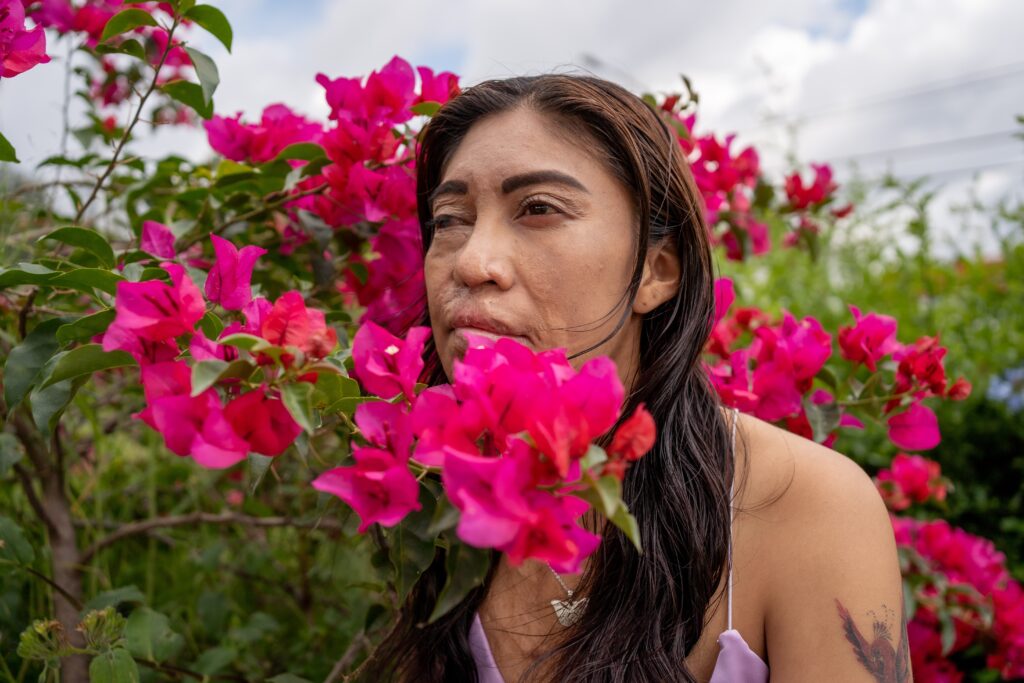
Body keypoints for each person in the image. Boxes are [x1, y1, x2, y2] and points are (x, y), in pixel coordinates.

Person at [364, 74, 909, 682]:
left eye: (538, 209)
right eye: (449, 219)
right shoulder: (431, 484)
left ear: (656, 270)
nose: (469, 262)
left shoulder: (807, 505)